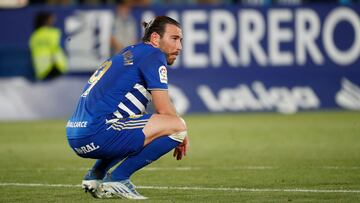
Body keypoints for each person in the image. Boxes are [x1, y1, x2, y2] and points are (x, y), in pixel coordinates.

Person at [66, 16, 189, 200]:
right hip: (99, 133)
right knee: (177, 126)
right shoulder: (153, 54)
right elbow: (163, 109)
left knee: (136, 119)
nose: (179, 47)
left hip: (76, 134)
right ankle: (119, 177)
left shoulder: (129, 53)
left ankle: (96, 175)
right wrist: (182, 133)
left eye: (180, 40)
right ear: (155, 38)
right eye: (174, 39)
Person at [29, 11, 67, 80]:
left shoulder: (34, 36)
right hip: (55, 68)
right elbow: (59, 47)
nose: (53, 21)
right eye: (51, 19)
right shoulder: (54, 33)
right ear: (45, 21)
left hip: (41, 71)